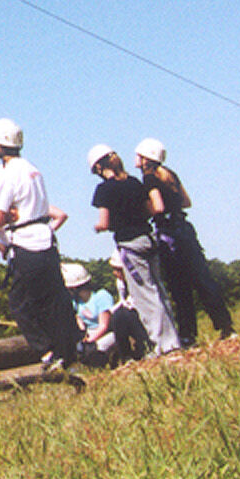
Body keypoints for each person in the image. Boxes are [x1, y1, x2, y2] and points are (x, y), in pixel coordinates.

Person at [0, 118, 79, 369]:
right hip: (46, 239)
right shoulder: (33, 169)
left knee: (22, 304)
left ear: (0, 146)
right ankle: (69, 351)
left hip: (26, 242)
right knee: (55, 299)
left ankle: (48, 351)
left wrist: (3, 216)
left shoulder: (9, 175)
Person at [137, 138, 235, 345]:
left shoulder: (149, 178)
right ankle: (225, 324)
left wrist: (142, 212)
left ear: (146, 158)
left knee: (179, 287)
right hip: (185, 230)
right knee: (203, 279)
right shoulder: (170, 175)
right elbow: (186, 202)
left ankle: (188, 334)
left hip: (168, 235)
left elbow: (159, 206)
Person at [87, 144, 181, 355]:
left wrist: (98, 227)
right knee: (159, 291)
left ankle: (166, 347)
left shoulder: (104, 190)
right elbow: (149, 209)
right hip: (148, 238)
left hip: (130, 244)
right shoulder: (134, 182)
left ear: (99, 168)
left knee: (145, 297)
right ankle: (173, 339)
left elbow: (104, 222)